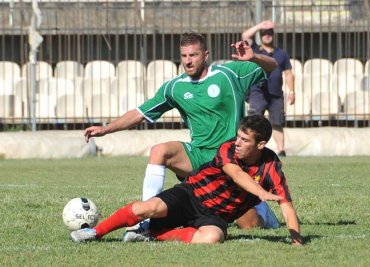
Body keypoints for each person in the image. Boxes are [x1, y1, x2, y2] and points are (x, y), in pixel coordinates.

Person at [83, 32, 278, 239]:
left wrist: (255, 57)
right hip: (198, 156)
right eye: (184, 56)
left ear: (205, 55)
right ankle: (147, 223)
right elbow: (140, 113)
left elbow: (272, 66)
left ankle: (264, 211)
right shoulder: (175, 88)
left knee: (249, 225)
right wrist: (106, 129)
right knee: (160, 151)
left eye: (193, 55)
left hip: (231, 161)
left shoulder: (230, 74)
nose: (188, 61)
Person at [71, 115, 303, 246]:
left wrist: (297, 241)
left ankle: (152, 235)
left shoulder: (272, 167)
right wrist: (261, 193)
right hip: (190, 195)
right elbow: (237, 175)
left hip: (216, 216)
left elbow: (287, 207)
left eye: (245, 140)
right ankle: (95, 233)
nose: (238, 142)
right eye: (239, 136)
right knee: (147, 207)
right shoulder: (227, 149)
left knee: (212, 238)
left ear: (261, 145)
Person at [242, 20, 295, 156]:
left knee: (277, 122)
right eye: (264, 33)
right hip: (257, 92)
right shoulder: (254, 49)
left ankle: (281, 150)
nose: (267, 35)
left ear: (273, 35)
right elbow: (245, 36)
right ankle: (251, 149)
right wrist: (261, 25)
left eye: (270, 33)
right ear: (260, 35)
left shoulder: (281, 53)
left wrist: (292, 92)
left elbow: (288, 73)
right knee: (253, 122)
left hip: (276, 93)